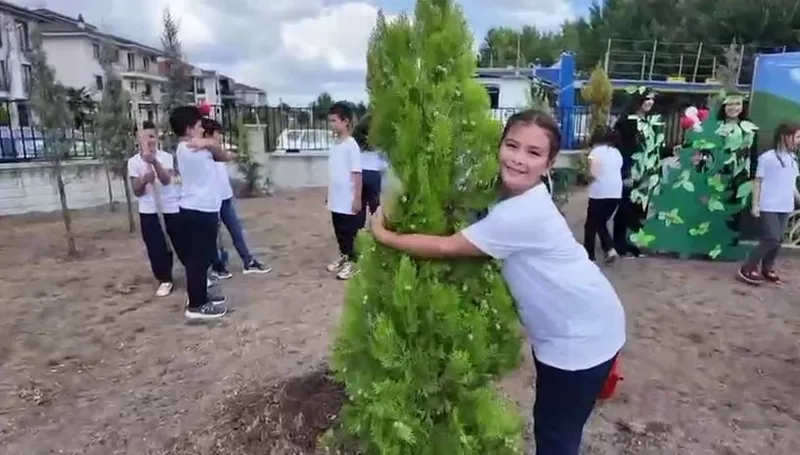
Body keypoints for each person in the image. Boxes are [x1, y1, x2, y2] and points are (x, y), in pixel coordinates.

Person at [369, 109, 626, 455]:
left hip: (580, 338)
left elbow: (446, 247)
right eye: (512, 145)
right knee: (554, 421)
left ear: (548, 164)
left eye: (533, 153)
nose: (518, 159)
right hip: (582, 322)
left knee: (555, 434)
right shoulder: (514, 195)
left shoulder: (521, 214)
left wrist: (384, 235)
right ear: (500, 145)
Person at [171, 105, 229, 321]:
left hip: (203, 209)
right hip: (197, 210)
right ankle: (196, 305)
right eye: (197, 124)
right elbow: (216, 148)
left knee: (202, 258)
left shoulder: (197, 147)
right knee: (198, 259)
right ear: (188, 129)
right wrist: (206, 142)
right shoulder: (187, 149)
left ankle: (200, 296)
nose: (201, 126)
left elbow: (221, 154)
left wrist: (205, 142)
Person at [196, 118, 272, 279]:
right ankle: (217, 265)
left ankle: (248, 261)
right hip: (210, 200)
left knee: (236, 230)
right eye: (218, 134)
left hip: (225, 197)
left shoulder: (215, 149)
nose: (220, 137)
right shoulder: (202, 152)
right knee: (211, 236)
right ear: (208, 134)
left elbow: (228, 156)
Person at [737, 122, 800, 285]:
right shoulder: (767, 158)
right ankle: (748, 267)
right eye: (797, 137)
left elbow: (792, 184)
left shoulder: (793, 158)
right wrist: (755, 205)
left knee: (778, 239)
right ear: (785, 137)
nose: (798, 141)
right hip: (769, 205)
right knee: (771, 237)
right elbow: (758, 182)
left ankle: (767, 268)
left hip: (785, 206)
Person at [128, 120, 181, 297]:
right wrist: (143, 179)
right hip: (149, 211)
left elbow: (166, 180)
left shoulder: (166, 157)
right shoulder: (133, 162)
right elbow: (136, 191)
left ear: (157, 137)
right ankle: (165, 279)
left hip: (170, 208)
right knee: (156, 247)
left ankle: (197, 273)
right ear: (137, 140)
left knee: (180, 243)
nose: (149, 141)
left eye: (151, 136)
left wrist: (155, 163)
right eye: (144, 137)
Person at [613, 86, 662, 258]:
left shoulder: (652, 122)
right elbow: (622, 149)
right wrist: (625, 173)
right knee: (625, 207)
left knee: (640, 209)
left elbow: (655, 146)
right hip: (631, 170)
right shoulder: (627, 122)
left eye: (651, 99)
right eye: (646, 98)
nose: (649, 102)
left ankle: (634, 243)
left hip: (648, 172)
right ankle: (619, 244)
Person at [325, 101, 363, 280]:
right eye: (330, 121)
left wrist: (357, 198)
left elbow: (357, 174)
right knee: (339, 231)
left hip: (347, 199)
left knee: (349, 233)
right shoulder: (335, 145)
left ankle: (353, 263)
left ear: (345, 121)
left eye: (334, 121)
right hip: (336, 198)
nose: (331, 124)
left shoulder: (351, 145)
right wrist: (329, 195)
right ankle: (344, 256)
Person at [584, 126, 623, 263]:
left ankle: (591, 254)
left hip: (599, 193)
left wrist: (586, 180)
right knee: (600, 222)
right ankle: (608, 249)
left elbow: (592, 174)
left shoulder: (594, 152)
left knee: (591, 225)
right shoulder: (617, 152)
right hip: (616, 193)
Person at [352, 113, 388, 229]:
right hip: (375, 175)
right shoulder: (381, 143)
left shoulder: (356, 143)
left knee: (359, 211)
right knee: (376, 209)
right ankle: (375, 234)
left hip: (360, 174)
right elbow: (386, 163)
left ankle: (358, 235)